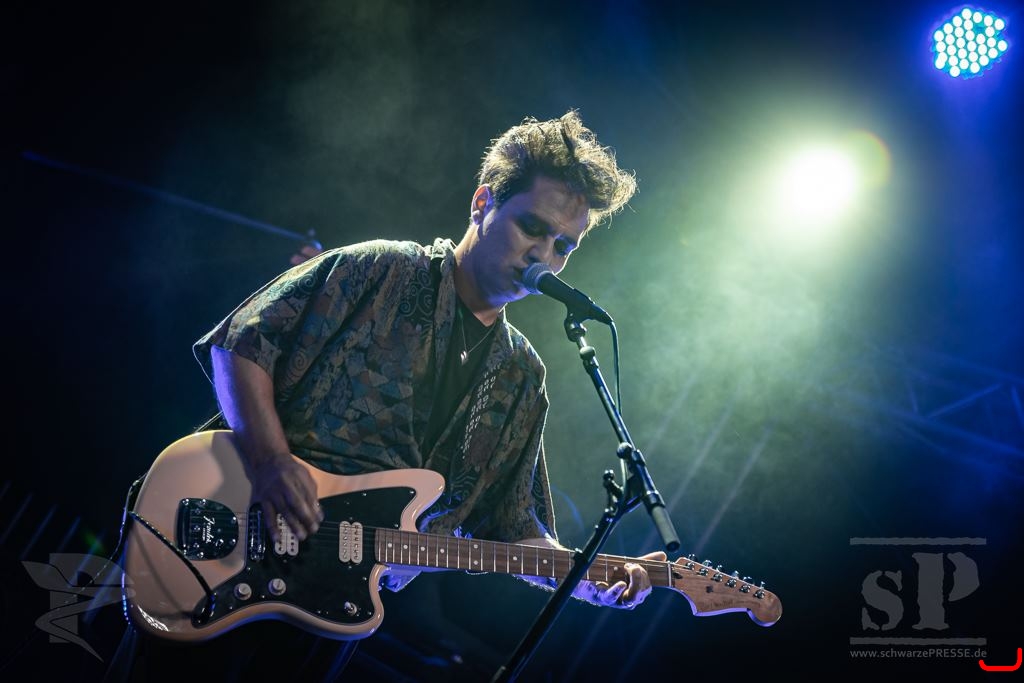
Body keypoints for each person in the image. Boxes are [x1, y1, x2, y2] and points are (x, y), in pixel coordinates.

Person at [110, 110, 664, 681]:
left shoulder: (521, 376)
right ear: (483, 203)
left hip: (335, 604)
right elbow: (242, 343)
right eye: (532, 227)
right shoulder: (382, 269)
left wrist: (588, 581)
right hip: (233, 538)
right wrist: (272, 460)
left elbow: (516, 526)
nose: (543, 255)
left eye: (564, 246)